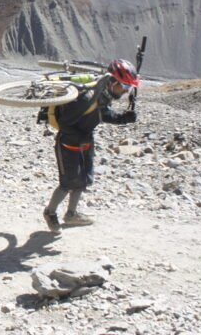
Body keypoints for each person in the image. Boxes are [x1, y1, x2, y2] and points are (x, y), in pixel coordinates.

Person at [42, 59, 139, 233]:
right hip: (68, 143)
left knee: (82, 180)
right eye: (124, 86)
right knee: (67, 183)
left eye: (128, 88)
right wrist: (78, 136)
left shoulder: (103, 95)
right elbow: (65, 123)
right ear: (113, 82)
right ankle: (50, 213)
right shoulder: (86, 97)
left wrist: (124, 118)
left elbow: (103, 115)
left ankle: (71, 214)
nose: (125, 92)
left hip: (85, 142)